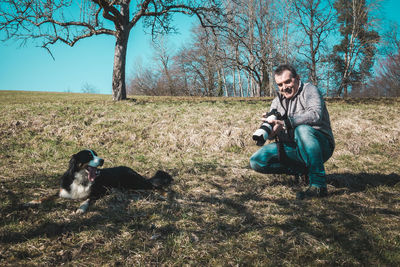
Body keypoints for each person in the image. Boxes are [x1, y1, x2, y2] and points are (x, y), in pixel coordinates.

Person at [249, 64, 334, 200]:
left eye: (288, 81)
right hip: (293, 147)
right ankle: (302, 171)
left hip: (320, 145)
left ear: (297, 78)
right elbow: (274, 131)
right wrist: (272, 132)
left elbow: (315, 114)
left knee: (302, 130)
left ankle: (318, 185)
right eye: (280, 84)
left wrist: (286, 123)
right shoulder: (277, 102)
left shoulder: (310, 90)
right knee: (256, 161)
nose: (284, 87)